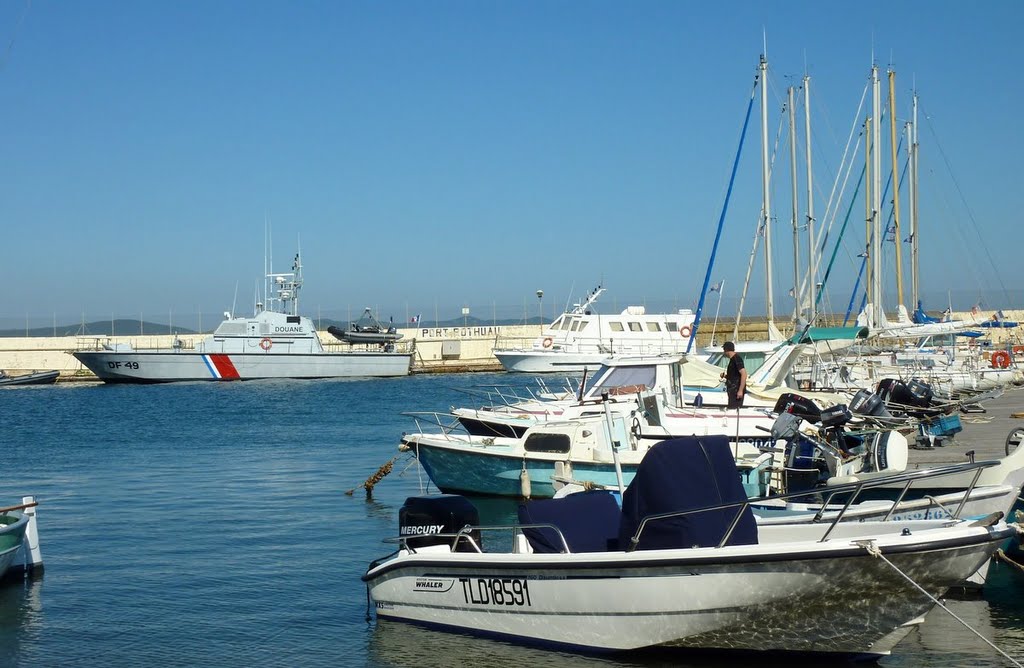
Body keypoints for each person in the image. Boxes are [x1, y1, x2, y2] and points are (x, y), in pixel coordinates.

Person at [720, 341, 747, 409]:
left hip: (736, 390)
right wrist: (725, 376)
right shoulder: (732, 359)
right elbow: (735, 376)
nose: (723, 352)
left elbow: (744, 374)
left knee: (734, 409)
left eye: (724, 350)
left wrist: (740, 390)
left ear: (726, 350)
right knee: (731, 408)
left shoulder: (736, 359)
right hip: (732, 390)